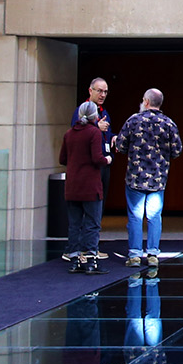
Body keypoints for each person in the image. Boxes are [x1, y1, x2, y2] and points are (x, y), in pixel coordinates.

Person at [114, 87, 182, 266]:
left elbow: (120, 146)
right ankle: (153, 254)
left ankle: (135, 254)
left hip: (135, 178)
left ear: (146, 101)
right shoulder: (168, 124)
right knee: (154, 216)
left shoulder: (133, 120)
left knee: (135, 216)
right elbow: (177, 151)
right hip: (158, 179)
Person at [58, 101, 110, 273]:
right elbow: (97, 158)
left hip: (73, 185)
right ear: (95, 116)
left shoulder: (69, 134)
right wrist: (107, 160)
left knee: (74, 224)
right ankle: (91, 261)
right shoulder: (94, 133)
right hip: (90, 186)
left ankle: (74, 260)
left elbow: (62, 159)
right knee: (92, 223)